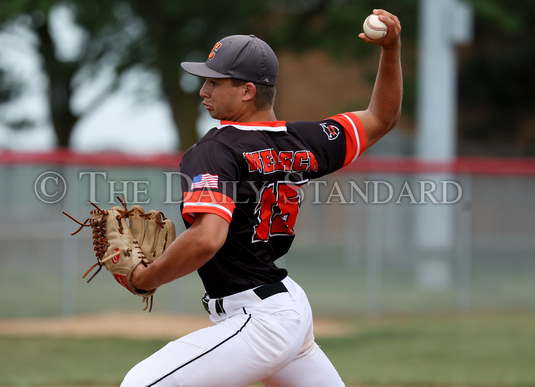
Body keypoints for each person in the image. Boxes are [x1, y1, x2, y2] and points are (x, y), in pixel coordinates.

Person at [123, 8, 402, 387]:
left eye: (215, 82)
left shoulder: (215, 151)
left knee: (142, 383)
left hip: (260, 320)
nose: (203, 91)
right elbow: (381, 118)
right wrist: (391, 48)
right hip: (286, 308)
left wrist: (147, 279)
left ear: (247, 90)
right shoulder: (304, 140)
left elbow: (207, 239)